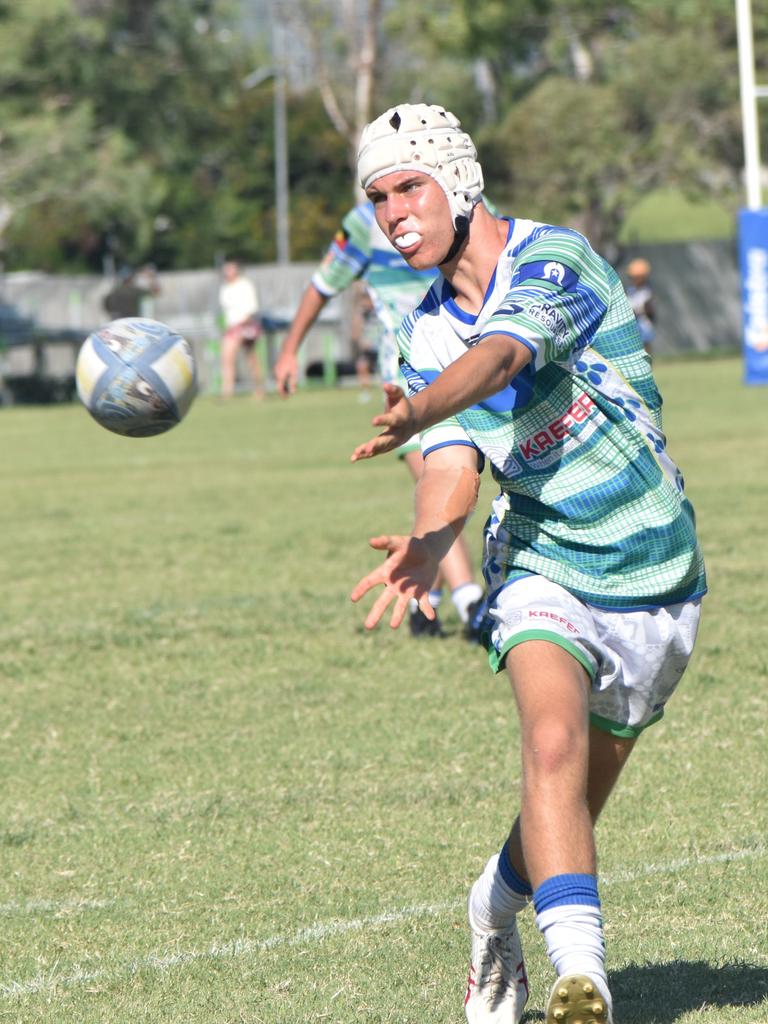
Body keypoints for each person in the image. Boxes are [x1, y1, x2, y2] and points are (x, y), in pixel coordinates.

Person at [349, 103, 706, 1024]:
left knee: (575, 798)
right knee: (550, 744)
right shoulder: (421, 334)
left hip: (658, 572)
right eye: (377, 197)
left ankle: (491, 905)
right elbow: (454, 468)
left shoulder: (557, 259)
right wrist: (430, 547)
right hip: (543, 563)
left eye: (407, 188)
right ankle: (580, 980)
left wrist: (424, 407)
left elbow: (506, 355)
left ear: (458, 181)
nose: (394, 215)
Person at [274, 199, 485, 638]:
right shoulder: (364, 224)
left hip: (468, 369)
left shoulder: (459, 202)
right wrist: (291, 349)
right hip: (404, 379)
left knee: (452, 488)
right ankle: (470, 603)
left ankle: (426, 601)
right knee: (438, 477)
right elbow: (321, 284)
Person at [218, 259, 264, 400]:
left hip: (245, 326)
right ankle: (227, 391)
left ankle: (258, 391)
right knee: (227, 358)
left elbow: (251, 309)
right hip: (232, 327)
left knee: (251, 359)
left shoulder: (245, 285)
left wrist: (240, 325)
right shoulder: (224, 288)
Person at [625, 257, 656, 355]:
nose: (636, 280)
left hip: (643, 322)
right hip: (631, 323)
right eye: (634, 277)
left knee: (645, 344)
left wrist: (642, 310)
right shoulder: (630, 291)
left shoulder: (647, 291)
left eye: (638, 277)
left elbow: (650, 309)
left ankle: (647, 364)